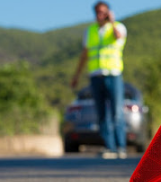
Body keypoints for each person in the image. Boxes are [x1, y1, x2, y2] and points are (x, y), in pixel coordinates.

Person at [71, 1, 127, 159]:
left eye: (103, 12)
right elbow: (85, 54)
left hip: (113, 74)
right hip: (95, 76)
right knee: (102, 114)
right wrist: (76, 76)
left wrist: (112, 21)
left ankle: (120, 147)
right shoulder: (90, 31)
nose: (100, 15)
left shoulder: (118, 27)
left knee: (117, 112)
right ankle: (109, 147)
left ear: (108, 12)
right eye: (97, 12)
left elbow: (118, 37)